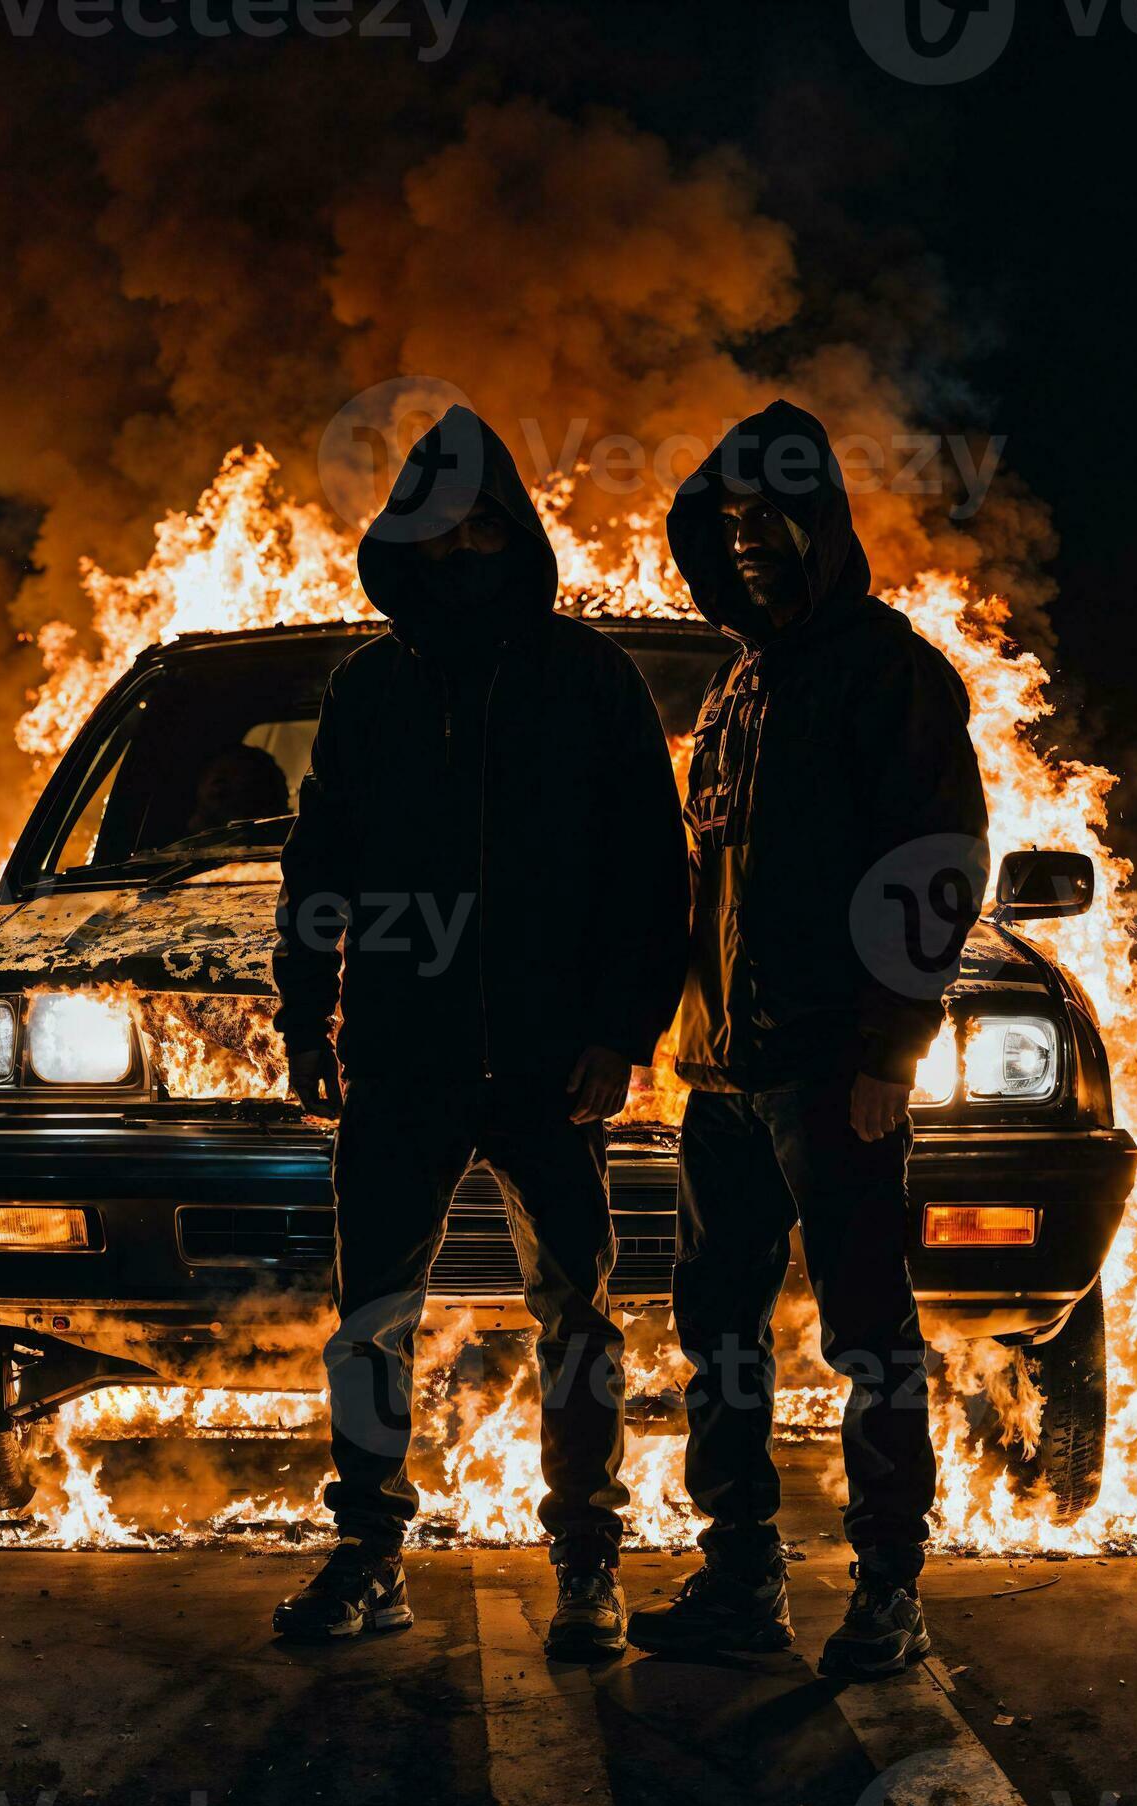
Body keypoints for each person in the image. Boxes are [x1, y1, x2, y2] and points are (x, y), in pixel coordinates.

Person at [268, 405, 689, 1658]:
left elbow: (649, 875)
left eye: (483, 526)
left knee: (577, 1313)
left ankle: (587, 1561)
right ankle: (369, 1553)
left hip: (553, 1061)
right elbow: (318, 865)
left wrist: (621, 1031)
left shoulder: (590, 680)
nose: (461, 551)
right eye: (437, 530)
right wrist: (308, 1011)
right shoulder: (370, 689)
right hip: (402, 1054)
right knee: (372, 1315)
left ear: (518, 532)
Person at [628, 400, 987, 1679]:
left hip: (835, 1066)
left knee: (866, 1336)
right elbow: (703, 888)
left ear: (824, 522)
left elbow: (939, 865)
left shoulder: (884, 671)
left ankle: (890, 1590)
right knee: (717, 1328)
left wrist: (895, 1048)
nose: (751, 540)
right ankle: (743, 1579)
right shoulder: (737, 689)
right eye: (730, 521)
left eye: (775, 515)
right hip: (721, 1075)